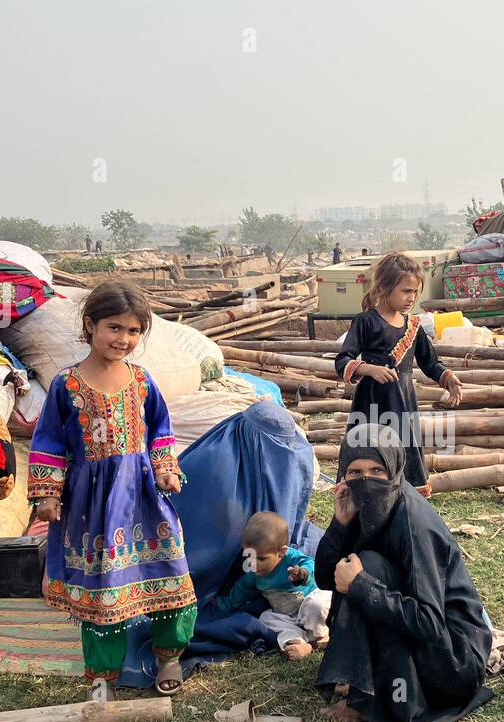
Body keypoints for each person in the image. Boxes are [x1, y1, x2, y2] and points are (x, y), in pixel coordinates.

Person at [27, 280, 196, 699]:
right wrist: (47, 494)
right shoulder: (67, 385)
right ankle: (102, 675)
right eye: (114, 328)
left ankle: (168, 656)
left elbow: (160, 428)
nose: (124, 339)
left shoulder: (141, 381)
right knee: (101, 590)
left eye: (134, 331)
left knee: (170, 572)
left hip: (144, 499)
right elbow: (48, 441)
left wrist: (164, 469)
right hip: (92, 506)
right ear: (91, 325)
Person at [314, 423, 494, 722]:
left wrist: (362, 586)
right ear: (343, 473)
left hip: (454, 660)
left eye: (376, 470)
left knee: (364, 569)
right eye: (355, 472)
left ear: (395, 469)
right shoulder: (366, 507)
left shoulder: (413, 523)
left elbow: (430, 622)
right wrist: (340, 525)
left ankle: (369, 702)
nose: (366, 480)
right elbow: (326, 578)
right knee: (358, 566)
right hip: (430, 643)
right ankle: (360, 677)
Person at [335, 252, 462, 496]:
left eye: (414, 292)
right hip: (371, 402)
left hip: (403, 402)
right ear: (384, 287)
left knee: (405, 448)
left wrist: (448, 379)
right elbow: (343, 361)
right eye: (405, 291)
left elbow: (430, 362)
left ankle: (405, 499)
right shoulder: (366, 321)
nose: (411, 298)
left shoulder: (412, 326)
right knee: (368, 449)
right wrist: (369, 369)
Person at [213, 512, 330, 661]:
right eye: (249, 555)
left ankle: (316, 642)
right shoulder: (253, 572)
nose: (254, 563)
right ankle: (298, 643)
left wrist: (302, 574)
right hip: (288, 616)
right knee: (266, 618)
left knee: (317, 605)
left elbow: (310, 564)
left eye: (261, 558)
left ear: (281, 552)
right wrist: (222, 604)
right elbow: (241, 591)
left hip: (308, 603)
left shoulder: (291, 559)